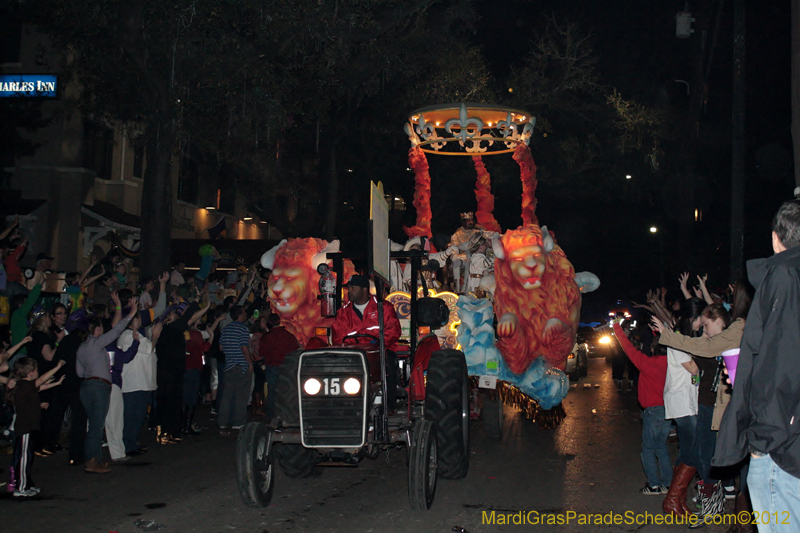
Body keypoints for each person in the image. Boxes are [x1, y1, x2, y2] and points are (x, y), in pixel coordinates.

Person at [713, 200, 800, 533]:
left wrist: (762, 442)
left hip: (783, 448)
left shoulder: (783, 274)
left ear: (776, 238)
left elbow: (782, 365)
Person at [76, 296, 137, 474]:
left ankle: (95, 460)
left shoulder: (82, 348)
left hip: (86, 385)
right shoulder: (96, 343)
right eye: (101, 327)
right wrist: (131, 313)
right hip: (98, 386)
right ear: (96, 329)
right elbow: (116, 330)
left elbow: (79, 372)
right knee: (97, 426)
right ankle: (91, 461)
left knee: (94, 424)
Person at [613, 318, 671, 495]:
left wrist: (617, 327)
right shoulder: (672, 364)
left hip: (652, 412)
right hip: (668, 411)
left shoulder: (648, 363)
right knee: (661, 448)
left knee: (648, 449)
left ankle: (653, 484)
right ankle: (668, 484)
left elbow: (628, 348)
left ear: (653, 348)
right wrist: (658, 332)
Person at [332, 275, 401, 408]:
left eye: (353, 288)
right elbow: (338, 337)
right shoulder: (343, 312)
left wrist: (377, 344)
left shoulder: (384, 308)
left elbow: (393, 331)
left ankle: (389, 406)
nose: (349, 291)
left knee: (389, 365)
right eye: (349, 288)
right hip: (353, 355)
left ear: (364, 290)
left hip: (380, 351)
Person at [9, 357, 66, 496]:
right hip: (25, 428)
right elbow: (40, 382)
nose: (38, 372)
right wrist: (57, 368)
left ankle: (26, 484)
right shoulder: (23, 385)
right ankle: (21, 488)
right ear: (30, 373)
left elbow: (40, 387)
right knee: (23, 458)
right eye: (36, 370)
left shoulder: (26, 387)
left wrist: (57, 383)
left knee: (27, 458)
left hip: (29, 428)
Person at [119, 315, 161, 456]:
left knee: (137, 415)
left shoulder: (134, 335)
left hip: (140, 383)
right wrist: (155, 335)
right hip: (135, 383)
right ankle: (128, 444)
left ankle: (132, 441)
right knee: (132, 416)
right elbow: (149, 348)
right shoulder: (129, 335)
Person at [217, 305, 253, 435]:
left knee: (226, 397)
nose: (246, 315)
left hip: (229, 366)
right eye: (244, 312)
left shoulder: (226, 329)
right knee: (240, 396)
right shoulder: (243, 329)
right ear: (240, 315)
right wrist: (249, 363)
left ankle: (222, 423)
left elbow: (221, 347)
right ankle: (238, 424)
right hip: (240, 366)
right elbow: (244, 347)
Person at [259, 313, 298, 421]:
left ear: (269, 323)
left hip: (271, 367)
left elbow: (261, 352)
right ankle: (286, 416)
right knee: (287, 392)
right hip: (286, 368)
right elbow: (295, 350)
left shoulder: (267, 337)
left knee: (272, 392)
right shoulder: (288, 335)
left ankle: (271, 417)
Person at [449, 212, 484, 293]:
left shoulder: (477, 233)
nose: (470, 222)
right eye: (468, 221)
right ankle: (457, 288)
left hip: (473, 257)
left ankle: (465, 288)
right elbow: (454, 248)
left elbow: (486, 233)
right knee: (456, 261)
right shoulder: (457, 235)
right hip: (460, 257)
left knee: (469, 262)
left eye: (472, 220)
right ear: (463, 222)